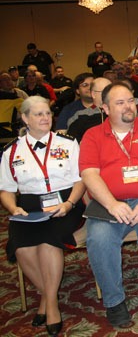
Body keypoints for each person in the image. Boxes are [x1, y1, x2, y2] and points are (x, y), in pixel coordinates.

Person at [79, 82, 138, 327]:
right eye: (120, 103)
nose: (128, 106)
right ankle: (114, 300)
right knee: (99, 239)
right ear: (105, 108)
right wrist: (112, 204)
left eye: (131, 100)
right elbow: (89, 174)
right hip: (109, 202)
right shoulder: (92, 135)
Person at [0, 96, 85, 336]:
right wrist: (13, 209)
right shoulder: (12, 150)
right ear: (25, 118)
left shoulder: (68, 143)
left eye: (48, 113)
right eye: (38, 114)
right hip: (28, 206)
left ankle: (51, 306)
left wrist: (69, 203)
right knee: (21, 248)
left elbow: (80, 180)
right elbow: (6, 189)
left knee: (48, 243)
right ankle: (49, 296)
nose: (46, 118)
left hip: (65, 201)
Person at [67, 77, 112, 142]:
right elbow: (72, 142)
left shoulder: (119, 113)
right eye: (105, 91)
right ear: (93, 94)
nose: (110, 94)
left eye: (112, 91)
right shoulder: (80, 116)